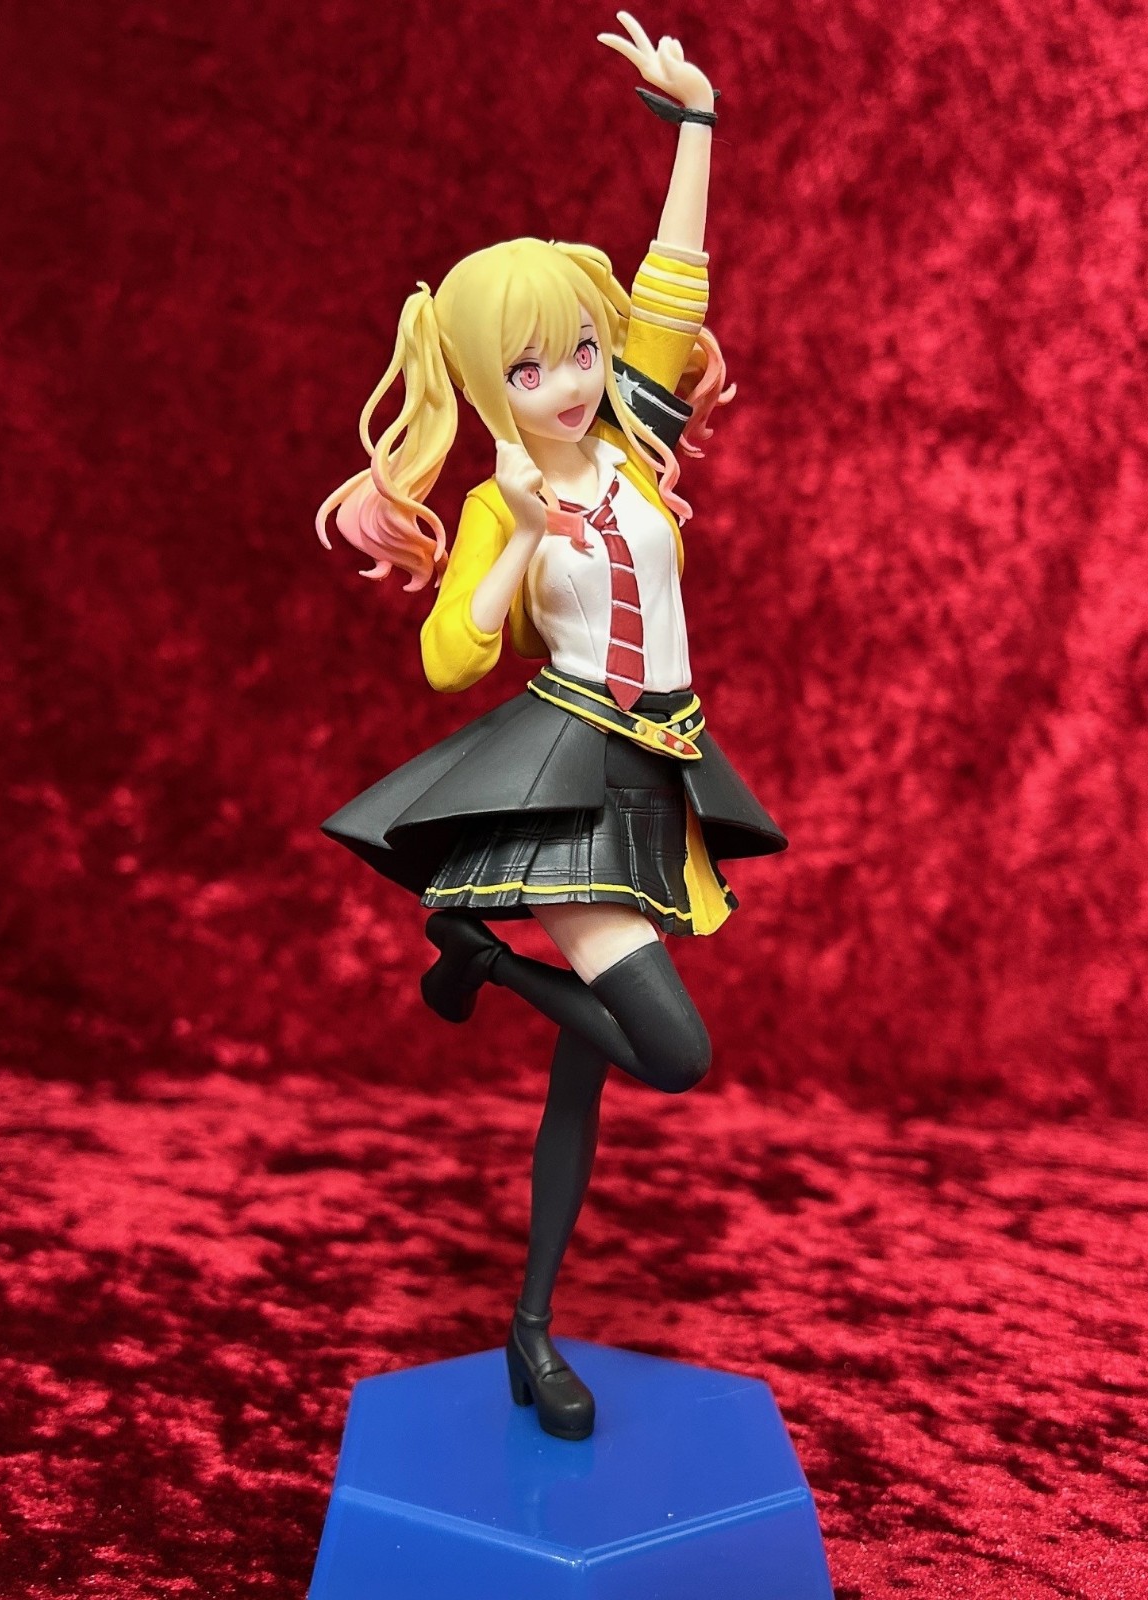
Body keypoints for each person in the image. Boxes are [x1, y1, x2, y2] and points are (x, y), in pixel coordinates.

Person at [317, 12, 786, 1441]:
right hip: (567, 775)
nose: (570, 381)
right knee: (674, 1053)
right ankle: (487, 959)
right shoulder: (490, 502)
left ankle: (532, 1326)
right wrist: (520, 534)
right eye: (529, 370)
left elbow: (673, 280)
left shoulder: (636, 439)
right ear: (483, 383)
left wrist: (695, 127)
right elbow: (449, 658)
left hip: (659, 761)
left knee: (586, 1086)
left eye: (579, 349)